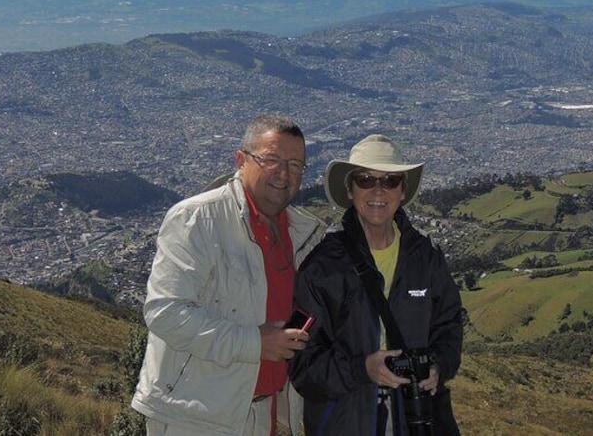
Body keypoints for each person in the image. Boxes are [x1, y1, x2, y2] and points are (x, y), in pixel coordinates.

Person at [132, 113, 323, 436]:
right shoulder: (196, 218)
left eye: (295, 165)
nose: (283, 173)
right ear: (241, 160)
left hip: (269, 412)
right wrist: (255, 343)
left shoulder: (305, 232)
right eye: (271, 159)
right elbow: (164, 314)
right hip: (195, 418)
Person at [289, 134, 464, 435]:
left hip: (418, 420)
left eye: (390, 180)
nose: (378, 190)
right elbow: (303, 366)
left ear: (403, 190)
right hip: (346, 421)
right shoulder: (322, 267)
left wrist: (437, 367)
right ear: (350, 189)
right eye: (366, 180)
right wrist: (362, 368)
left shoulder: (426, 259)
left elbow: (449, 328)